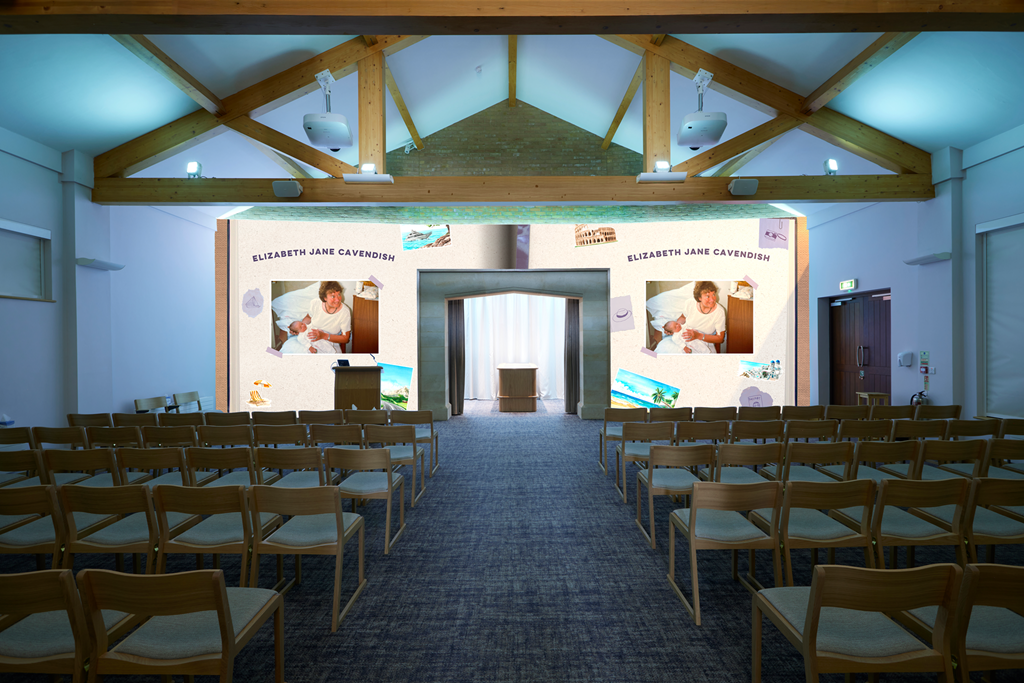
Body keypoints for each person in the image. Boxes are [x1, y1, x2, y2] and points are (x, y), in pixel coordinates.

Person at [280, 281, 352, 354]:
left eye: (339, 294)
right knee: (283, 354)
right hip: (309, 339)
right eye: (333, 296)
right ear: (324, 298)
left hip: (328, 343)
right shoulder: (316, 303)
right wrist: (300, 329)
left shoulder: (345, 312)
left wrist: (323, 336)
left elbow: (345, 338)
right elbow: (308, 317)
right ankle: (270, 353)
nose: (338, 299)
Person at [665, 281, 726, 354]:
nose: (712, 299)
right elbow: (683, 317)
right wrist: (675, 328)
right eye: (707, 296)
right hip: (686, 339)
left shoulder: (719, 312)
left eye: (713, 294)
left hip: (704, 342)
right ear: (699, 298)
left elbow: (720, 338)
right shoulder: (690, 303)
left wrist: (698, 336)